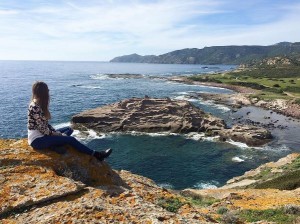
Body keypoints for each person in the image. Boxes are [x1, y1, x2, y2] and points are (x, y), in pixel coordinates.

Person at [27, 81, 112, 161]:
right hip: (37, 140)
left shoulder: (37, 104)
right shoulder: (35, 107)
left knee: (69, 129)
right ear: (43, 93)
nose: (49, 92)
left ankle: (53, 145)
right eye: (48, 90)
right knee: (71, 139)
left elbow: (45, 125)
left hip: (42, 136)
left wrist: (56, 133)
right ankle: (97, 155)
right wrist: (58, 134)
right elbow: (43, 129)